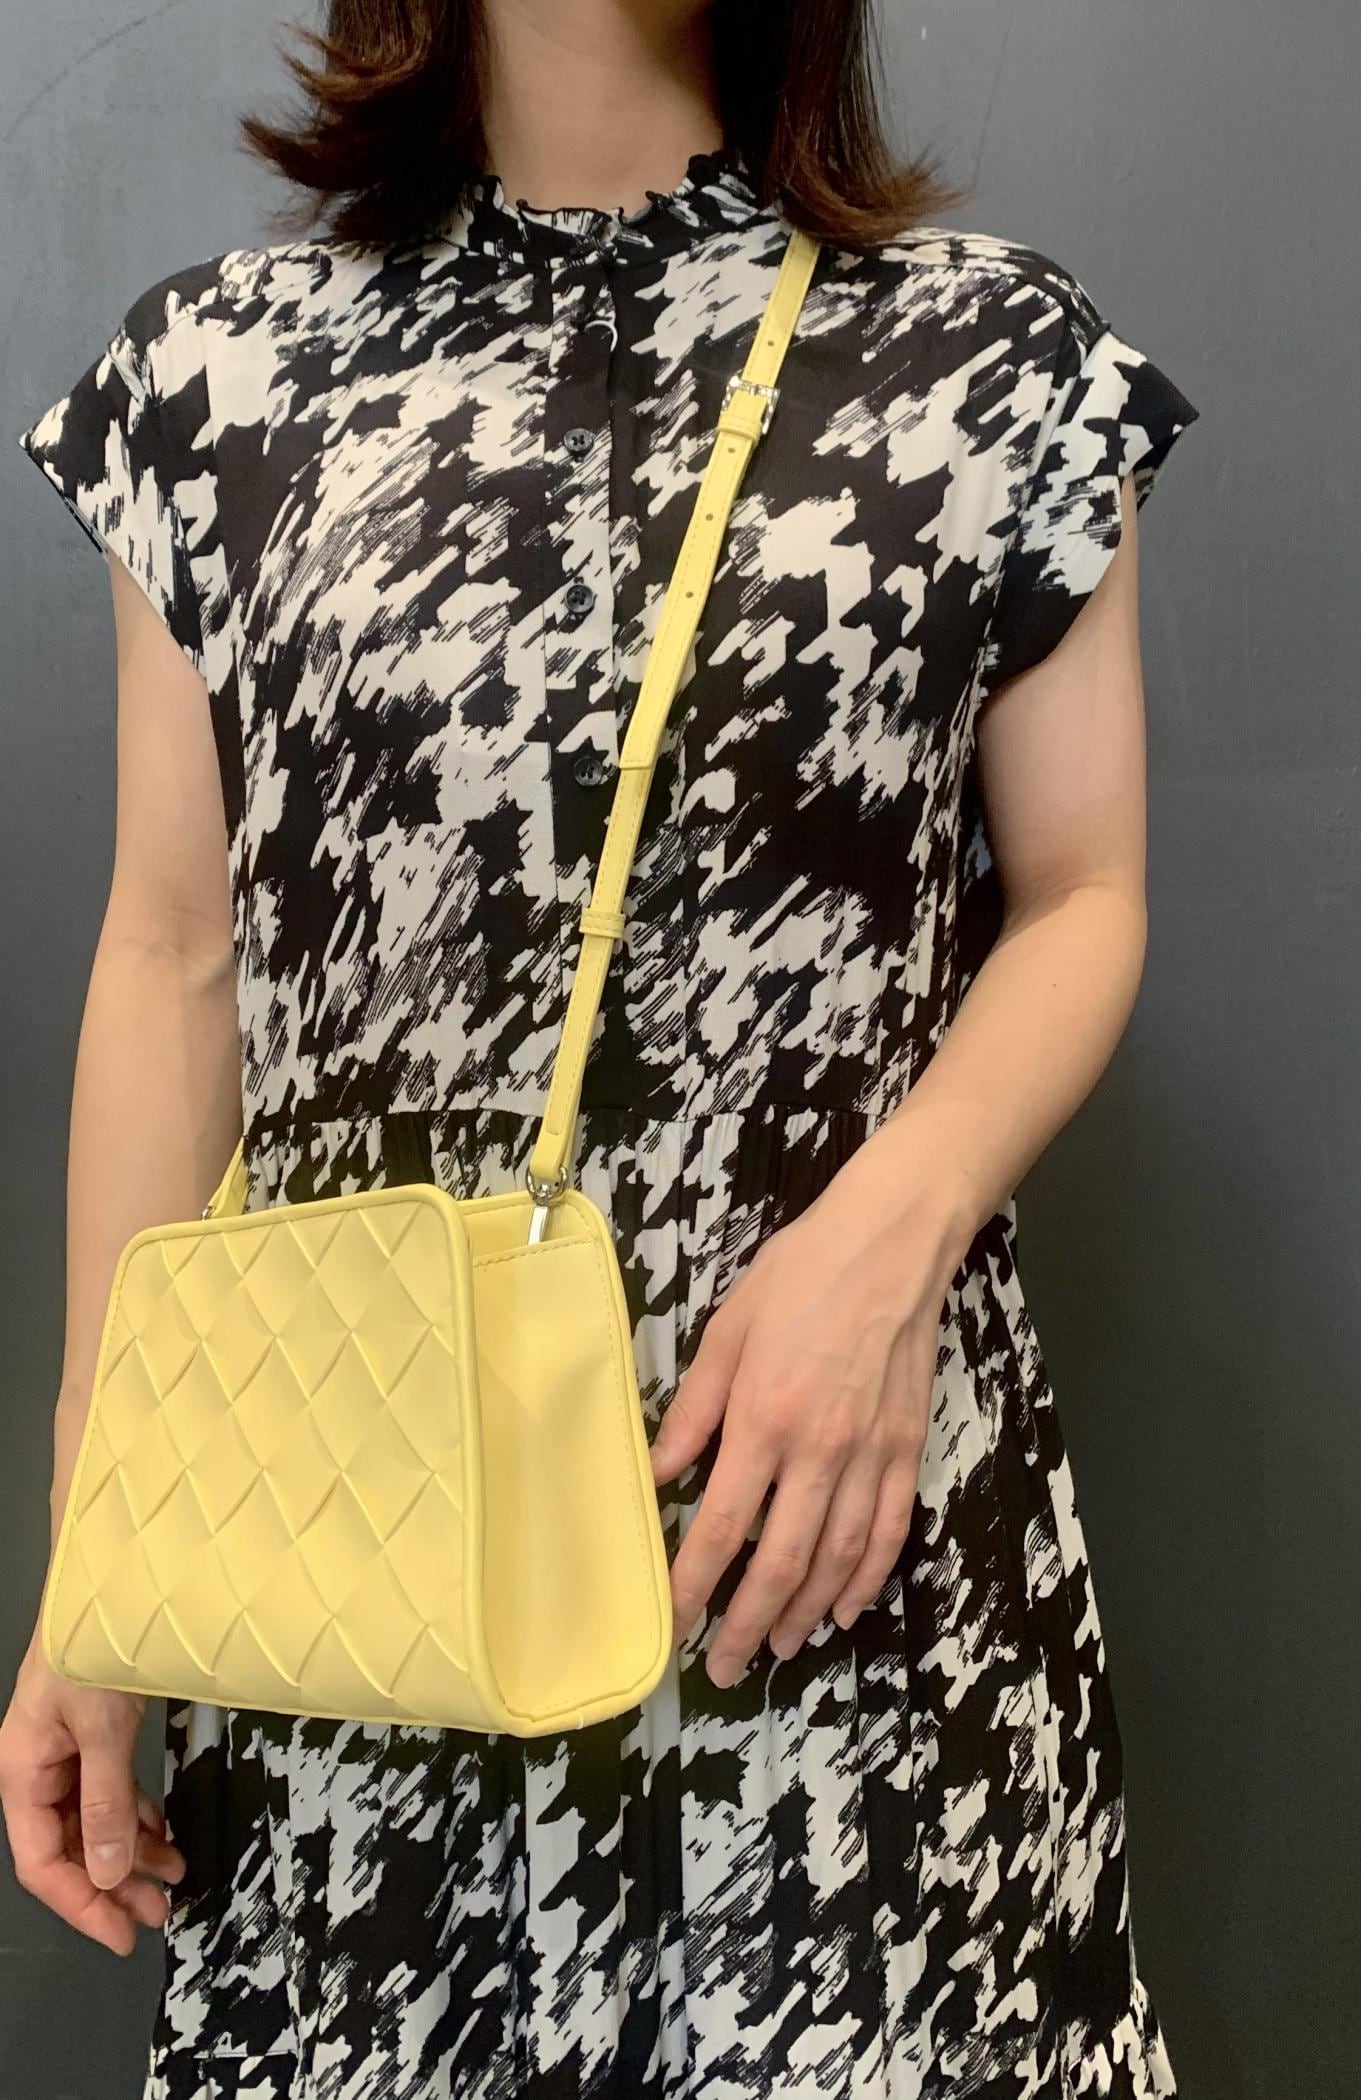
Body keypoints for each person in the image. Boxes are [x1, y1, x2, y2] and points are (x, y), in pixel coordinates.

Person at [2, 1, 1200, 2094]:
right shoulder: (220, 378)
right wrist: (99, 1557)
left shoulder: (986, 358)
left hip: (822, 1554)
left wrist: (887, 1245)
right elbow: (175, 954)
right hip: (373, 1583)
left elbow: (1084, 893)